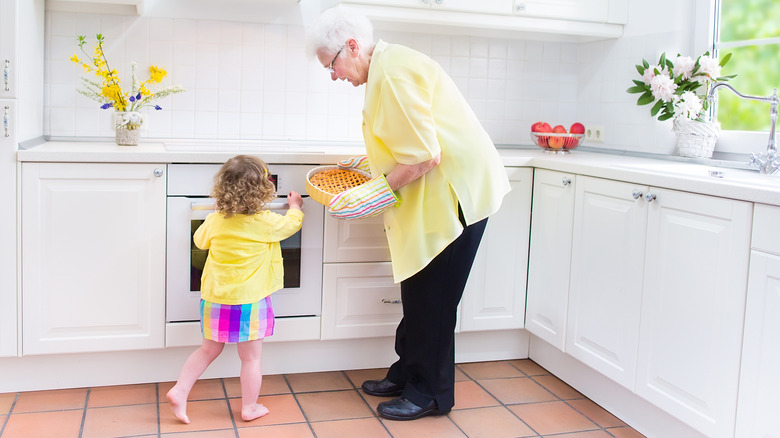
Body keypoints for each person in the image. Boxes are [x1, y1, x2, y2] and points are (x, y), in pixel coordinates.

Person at [305, 6, 511, 421]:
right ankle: (407, 372)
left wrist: (373, 193)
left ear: (352, 45)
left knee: (433, 299)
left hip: (456, 197)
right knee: (419, 291)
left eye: (332, 64)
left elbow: (424, 156)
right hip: (436, 192)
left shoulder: (394, 72)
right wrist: (368, 165)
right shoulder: (385, 66)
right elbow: (407, 139)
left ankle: (430, 394)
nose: (333, 75)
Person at [166, 155, 304, 424]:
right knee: (251, 359)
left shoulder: (217, 220)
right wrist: (295, 206)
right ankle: (249, 407)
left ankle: (180, 390)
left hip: (216, 299)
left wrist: (215, 213)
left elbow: (200, 241)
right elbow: (292, 224)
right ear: (263, 190)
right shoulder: (265, 222)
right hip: (250, 301)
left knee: (208, 350)